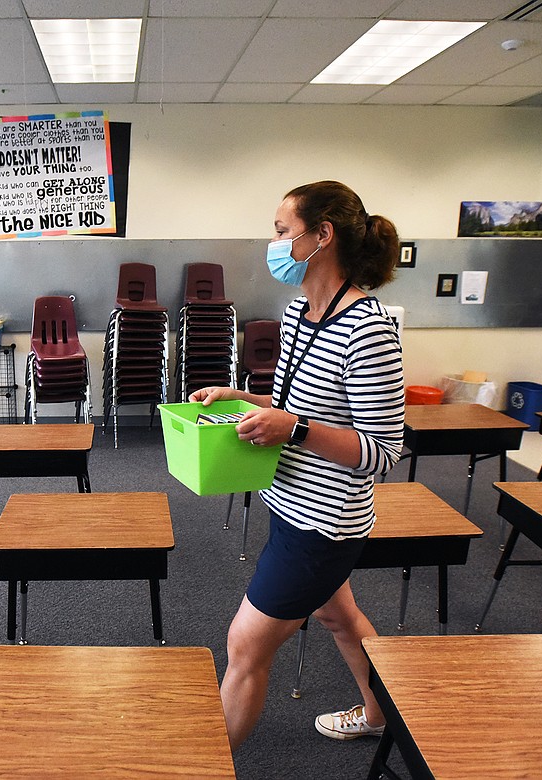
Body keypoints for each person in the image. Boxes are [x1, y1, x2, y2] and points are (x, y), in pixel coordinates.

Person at [190, 180, 404, 750]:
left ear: (322, 236)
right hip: (287, 504)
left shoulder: (369, 329)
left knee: (245, 646)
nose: (276, 243)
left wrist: (295, 430)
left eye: (283, 232)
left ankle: (205, 762)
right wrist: (239, 398)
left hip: (325, 525)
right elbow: (292, 406)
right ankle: (381, 713)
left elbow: (381, 452)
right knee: (339, 618)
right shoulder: (296, 313)